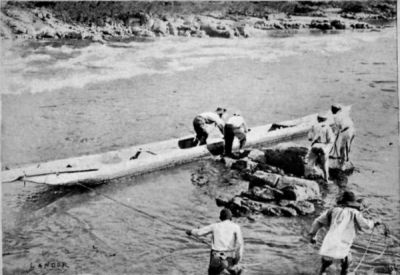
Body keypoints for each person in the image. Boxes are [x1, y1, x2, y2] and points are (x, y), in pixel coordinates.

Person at [308, 190, 380, 275]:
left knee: (327, 260)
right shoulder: (355, 213)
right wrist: (374, 222)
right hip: (344, 244)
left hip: (330, 242)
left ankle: (323, 271)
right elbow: (366, 225)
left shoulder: (333, 211)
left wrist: (313, 235)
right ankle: (344, 272)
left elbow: (318, 222)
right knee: (347, 259)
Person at [186, 208, 244, 275]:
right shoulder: (236, 227)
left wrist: (190, 231)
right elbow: (240, 245)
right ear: (231, 218)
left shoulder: (215, 226)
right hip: (229, 260)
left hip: (216, 259)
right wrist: (237, 261)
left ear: (220, 218)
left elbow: (199, 233)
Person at [307, 114, 335, 182]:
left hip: (315, 146)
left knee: (310, 163)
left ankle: (308, 177)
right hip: (323, 146)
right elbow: (331, 140)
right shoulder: (328, 127)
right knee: (325, 163)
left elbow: (309, 138)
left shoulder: (314, 126)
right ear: (325, 120)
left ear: (318, 119)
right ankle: (326, 179)